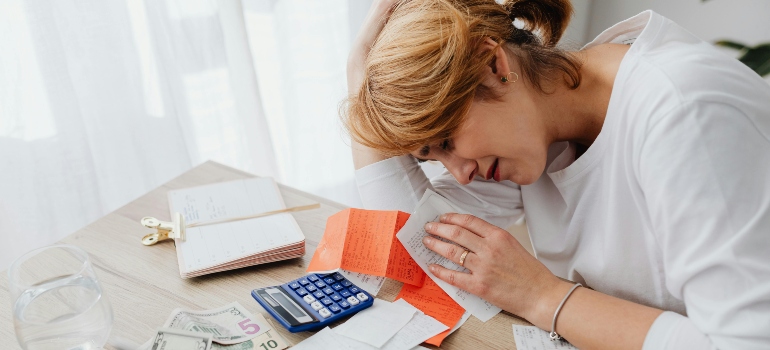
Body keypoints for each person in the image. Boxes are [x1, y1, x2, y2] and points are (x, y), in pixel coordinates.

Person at [343, 0, 770, 349]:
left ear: (492, 64)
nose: (461, 174)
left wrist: (542, 295)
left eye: (449, 140)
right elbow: (420, 248)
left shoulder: (686, 112)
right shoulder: (539, 127)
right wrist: (358, 79)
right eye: (432, 157)